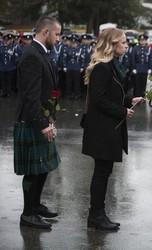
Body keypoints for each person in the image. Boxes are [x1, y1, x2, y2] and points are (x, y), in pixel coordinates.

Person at [82, 28, 143, 231]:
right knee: (101, 172)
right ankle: (95, 215)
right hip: (102, 128)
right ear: (112, 44)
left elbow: (111, 95)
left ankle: (99, 214)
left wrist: (129, 100)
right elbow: (98, 100)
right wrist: (122, 111)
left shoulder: (113, 66)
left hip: (108, 126)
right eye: (123, 42)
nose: (126, 45)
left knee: (104, 171)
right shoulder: (103, 67)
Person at [13, 16, 62, 229]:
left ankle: (35, 205)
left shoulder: (40, 52)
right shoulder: (32, 55)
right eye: (57, 34)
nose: (58, 38)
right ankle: (27, 214)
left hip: (41, 118)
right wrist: (42, 123)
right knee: (33, 170)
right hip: (32, 120)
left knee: (43, 167)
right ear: (45, 32)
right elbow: (31, 96)